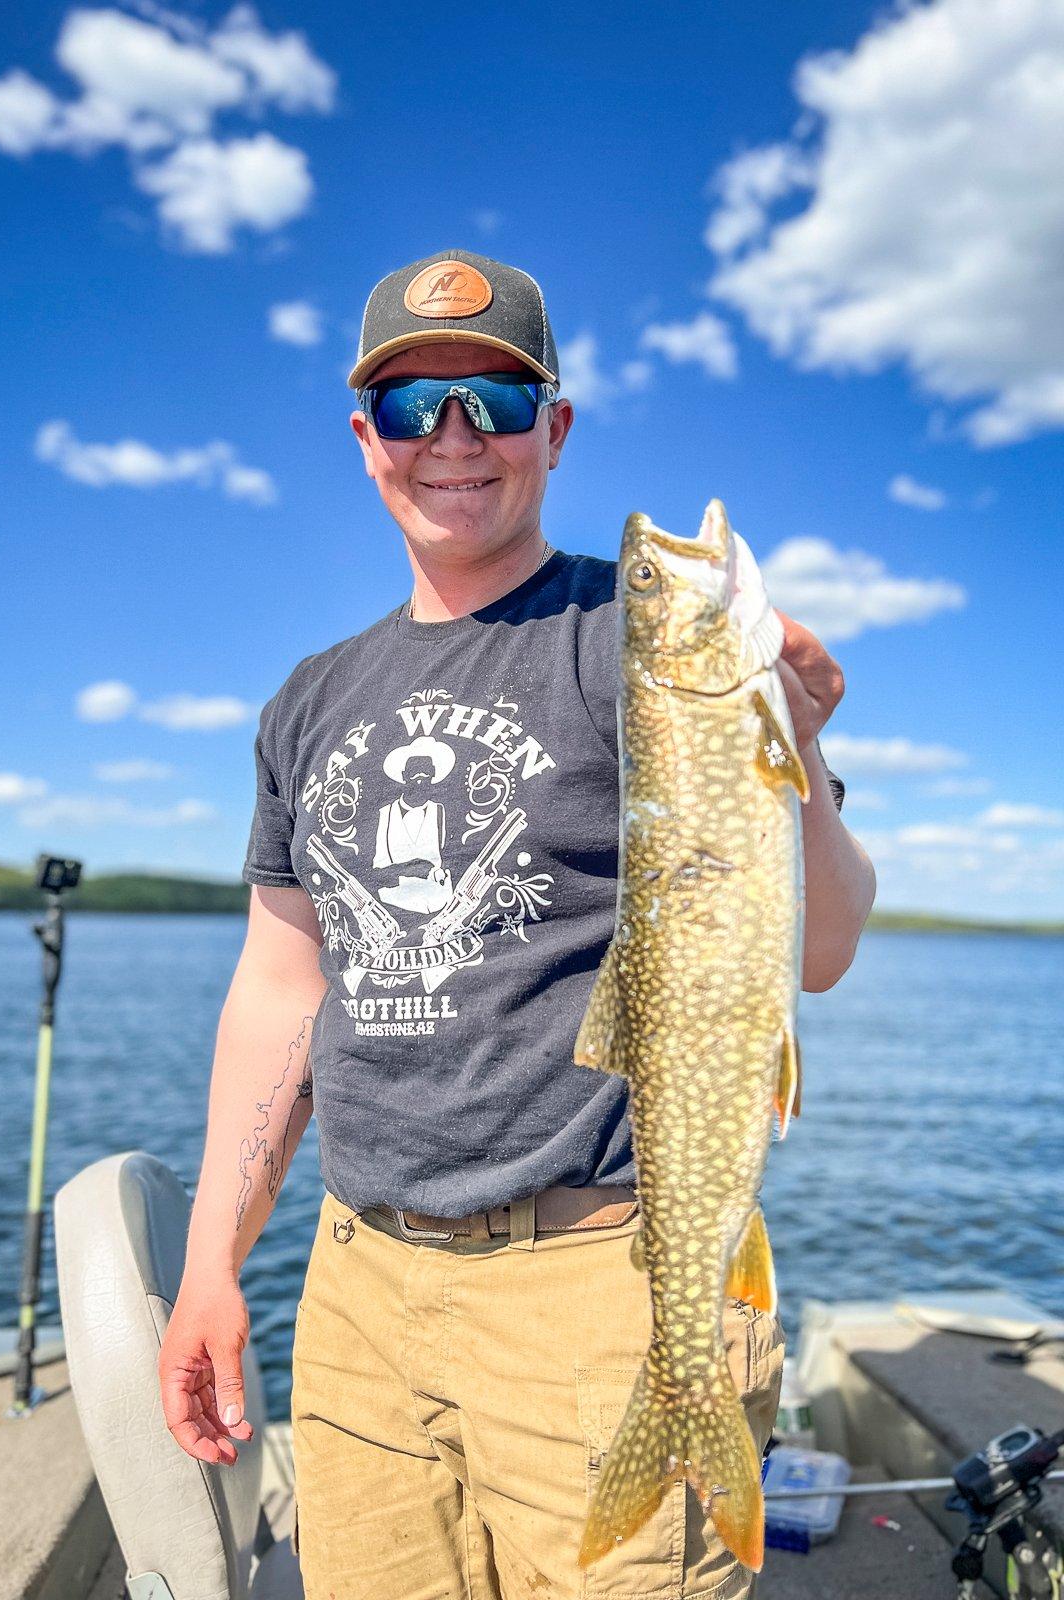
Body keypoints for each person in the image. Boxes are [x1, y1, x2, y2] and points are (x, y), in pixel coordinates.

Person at [158, 248, 876, 1599]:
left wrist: (795, 765)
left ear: (554, 428)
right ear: (365, 438)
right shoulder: (309, 698)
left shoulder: (631, 638)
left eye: (492, 402)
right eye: (415, 401)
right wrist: (210, 1267)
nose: (452, 438)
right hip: (358, 1296)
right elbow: (279, 987)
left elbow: (822, 949)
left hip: (604, 1288)